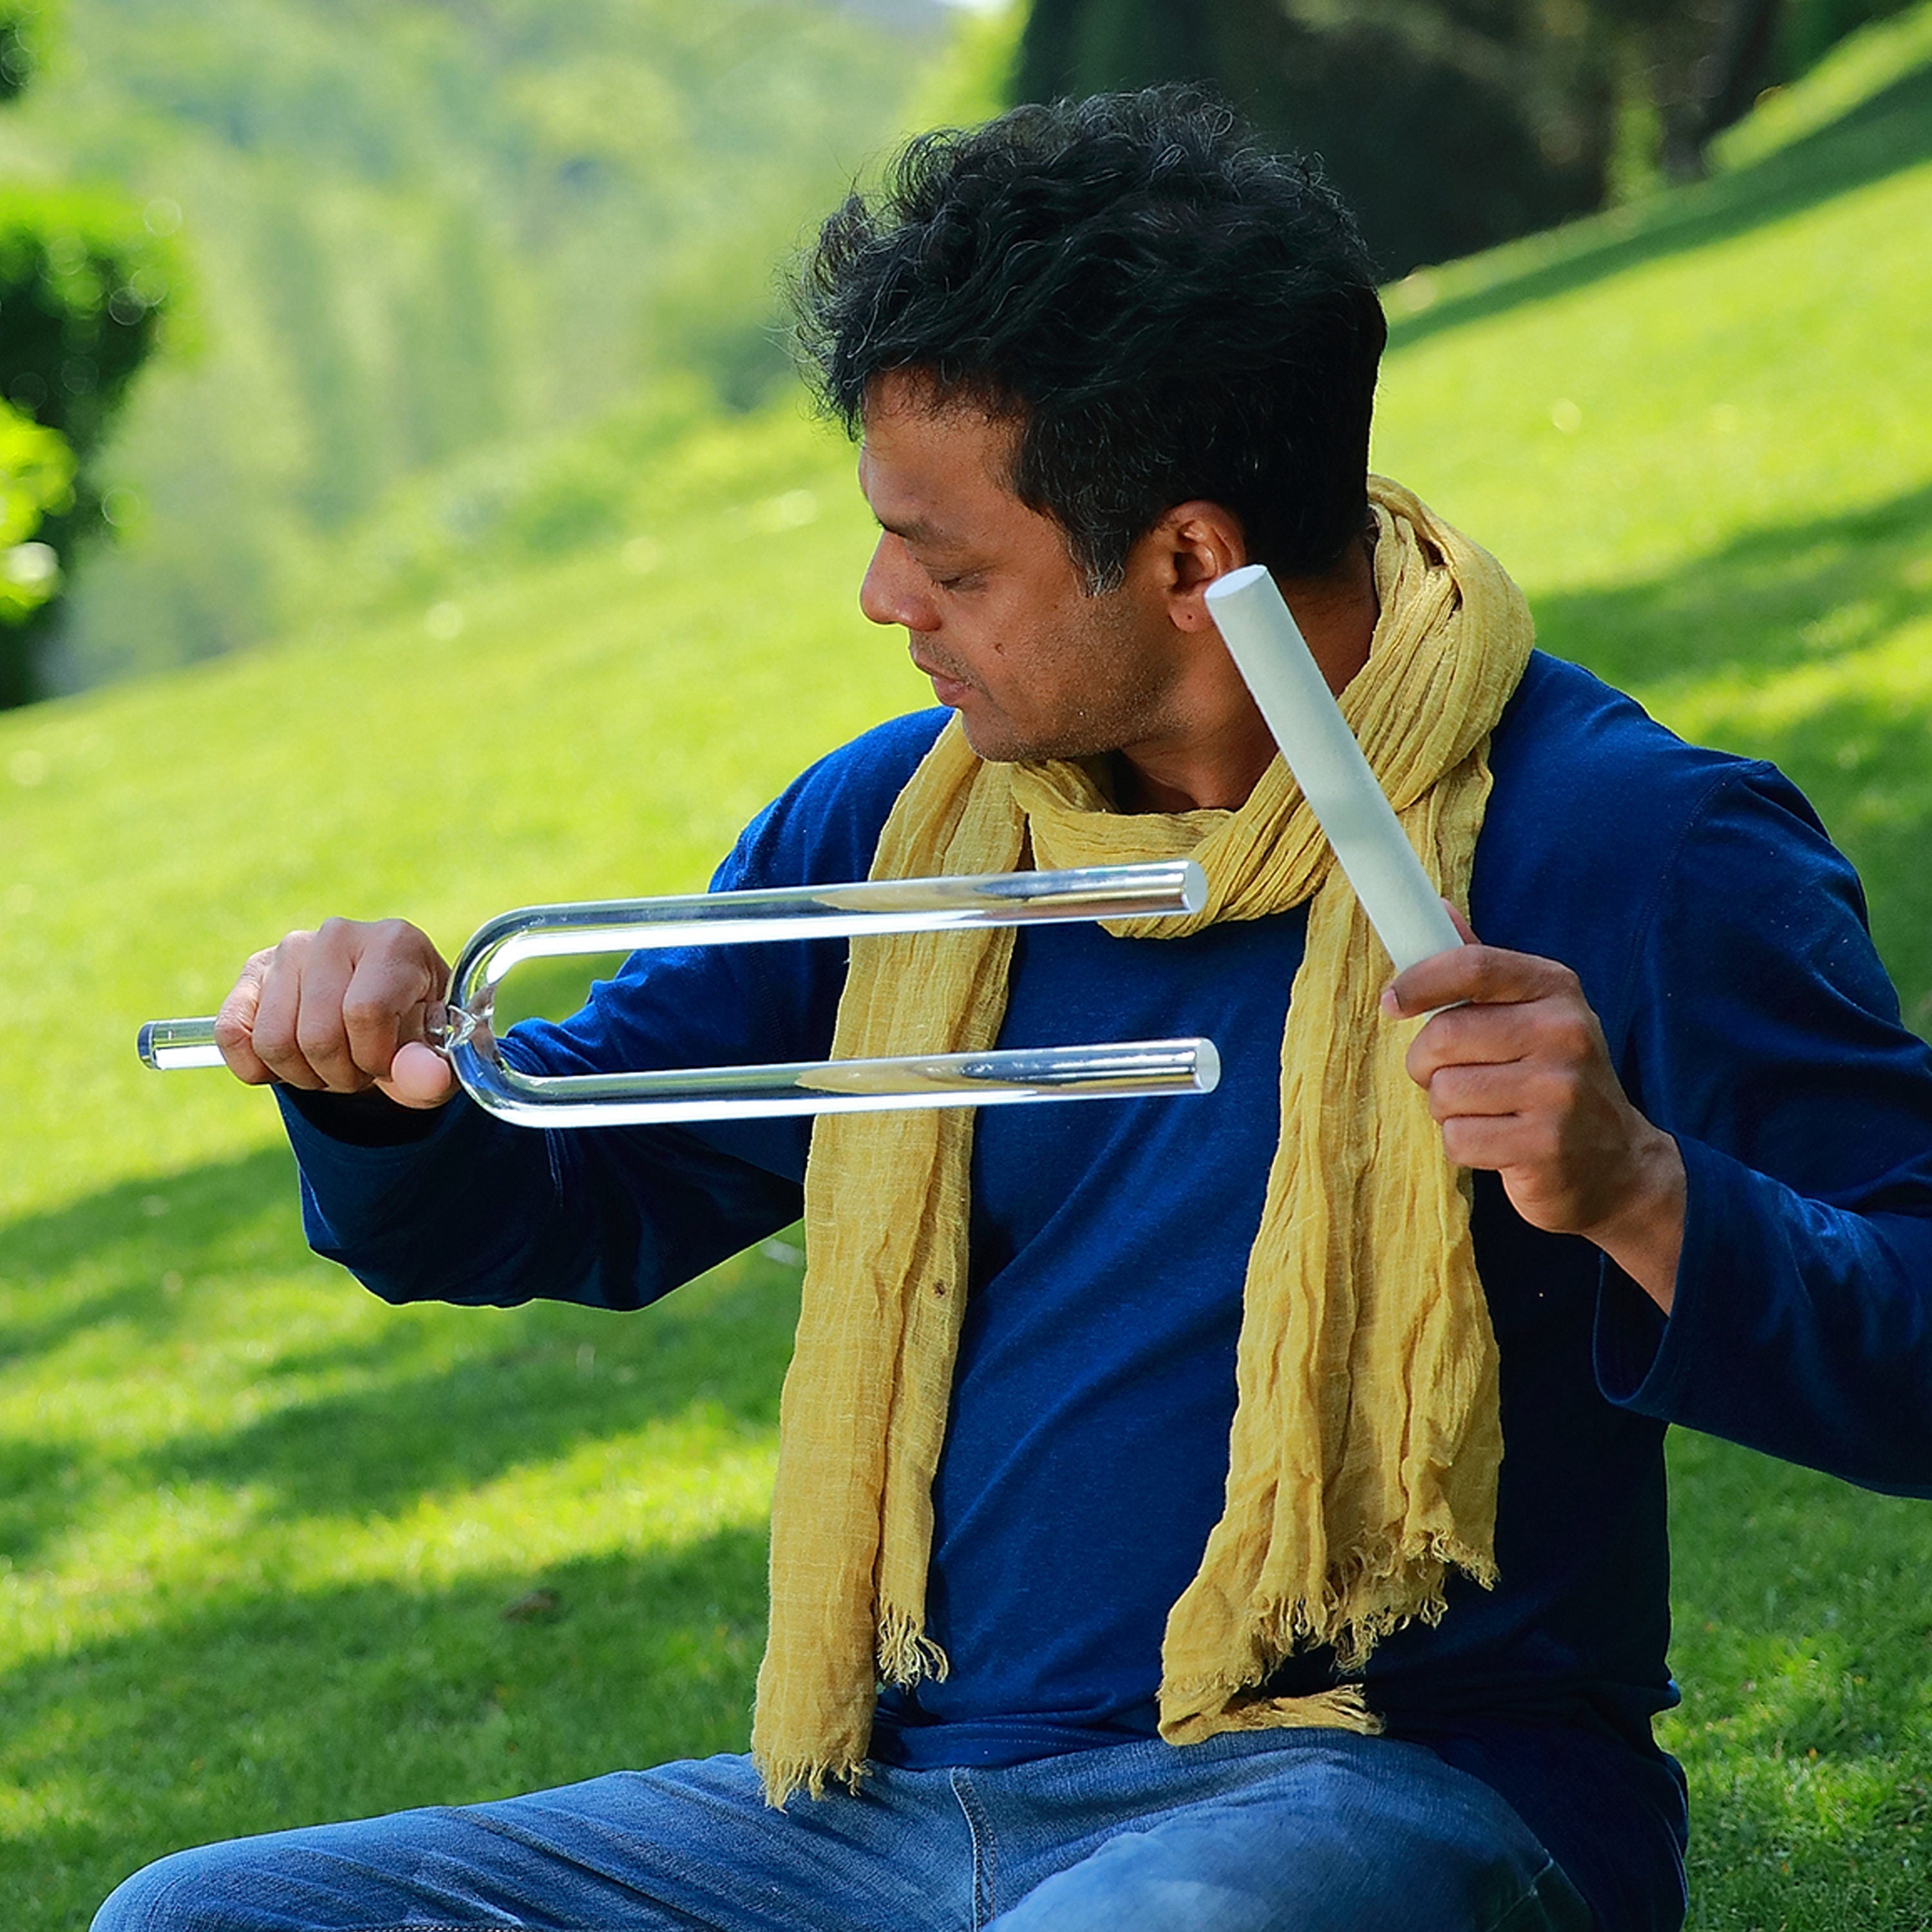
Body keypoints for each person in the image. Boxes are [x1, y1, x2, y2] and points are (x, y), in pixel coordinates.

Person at [97, 89, 1932, 1932]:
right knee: (198, 1917)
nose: (883, 598)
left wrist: (1640, 1191)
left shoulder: (1631, 845)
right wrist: (381, 1083)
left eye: (953, 563)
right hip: (882, 1809)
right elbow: (563, 1188)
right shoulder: (905, 832)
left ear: (1192, 559)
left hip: (1379, 1783)